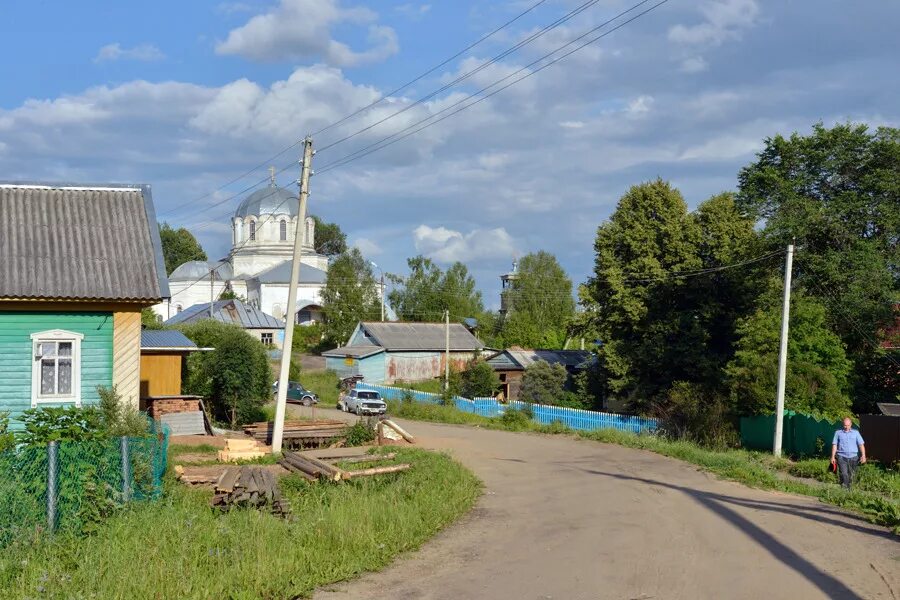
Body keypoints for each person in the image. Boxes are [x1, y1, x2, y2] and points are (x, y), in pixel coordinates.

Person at [830, 418, 866, 490]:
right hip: (842, 457)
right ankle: (844, 490)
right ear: (842, 424)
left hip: (853, 457)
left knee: (852, 474)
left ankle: (851, 490)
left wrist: (863, 455)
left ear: (851, 424)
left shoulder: (856, 433)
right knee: (844, 474)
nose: (846, 427)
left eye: (848, 425)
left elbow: (861, 444)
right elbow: (834, 445)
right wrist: (833, 457)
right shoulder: (838, 433)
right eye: (845, 425)